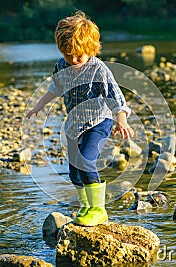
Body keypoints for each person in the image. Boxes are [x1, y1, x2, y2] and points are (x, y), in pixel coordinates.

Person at [26, 11, 133, 226]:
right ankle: (85, 205)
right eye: (68, 55)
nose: (73, 60)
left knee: (86, 160)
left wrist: (121, 119)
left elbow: (115, 96)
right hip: (75, 125)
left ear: (91, 50)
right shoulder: (62, 65)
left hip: (98, 122)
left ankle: (98, 209)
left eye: (79, 56)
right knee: (74, 168)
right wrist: (39, 104)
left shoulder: (99, 70)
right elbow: (56, 87)